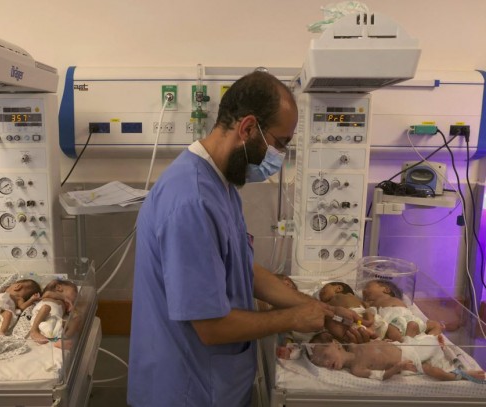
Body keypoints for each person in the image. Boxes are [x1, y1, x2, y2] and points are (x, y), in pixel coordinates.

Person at [128, 70, 365, 407]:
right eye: (280, 143)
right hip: (187, 390)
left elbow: (243, 268)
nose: (280, 156)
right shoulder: (191, 201)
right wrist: (292, 318)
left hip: (215, 382)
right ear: (248, 128)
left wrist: (317, 309)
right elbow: (210, 326)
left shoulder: (220, 184)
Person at [307, 332, 486, 382]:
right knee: (431, 370)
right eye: (320, 363)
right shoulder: (356, 369)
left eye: (324, 355)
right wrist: (397, 368)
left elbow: (374, 340)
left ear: (336, 344)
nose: (325, 362)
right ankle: (462, 375)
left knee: (432, 341)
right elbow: (382, 376)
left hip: (405, 346)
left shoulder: (354, 345)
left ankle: (445, 348)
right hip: (409, 360)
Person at [362, 279, 442, 340]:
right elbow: (370, 313)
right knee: (389, 329)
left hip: (410, 319)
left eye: (368, 287)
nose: (363, 291)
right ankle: (406, 342)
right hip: (393, 323)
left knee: (436, 325)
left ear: (386, 290)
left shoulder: (389, 299)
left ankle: (429, 340)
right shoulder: (372, 303)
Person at [29, 279, 78, 344]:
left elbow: (69, 314)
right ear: (59, 288)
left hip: (54, 321)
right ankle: (34, 331)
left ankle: (63, 339)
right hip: (41, 317)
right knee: (46, 308)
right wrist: (64, 298)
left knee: (76, 321)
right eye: (74, 292)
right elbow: (46, 294)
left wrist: (71, 309)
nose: (76, 296)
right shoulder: (50, 294)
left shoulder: (66, 304)